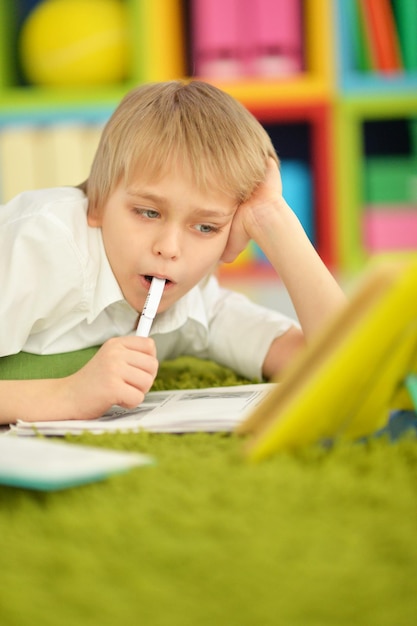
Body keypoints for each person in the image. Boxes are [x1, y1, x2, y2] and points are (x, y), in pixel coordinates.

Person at [0, 80, 346, 424]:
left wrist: (272, 218)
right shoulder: (41, 247)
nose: (168, 248)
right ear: (99, 204)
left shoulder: (195, 304)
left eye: (205, 227)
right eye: (148, 212)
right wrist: (70, 395)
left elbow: (343, 364)